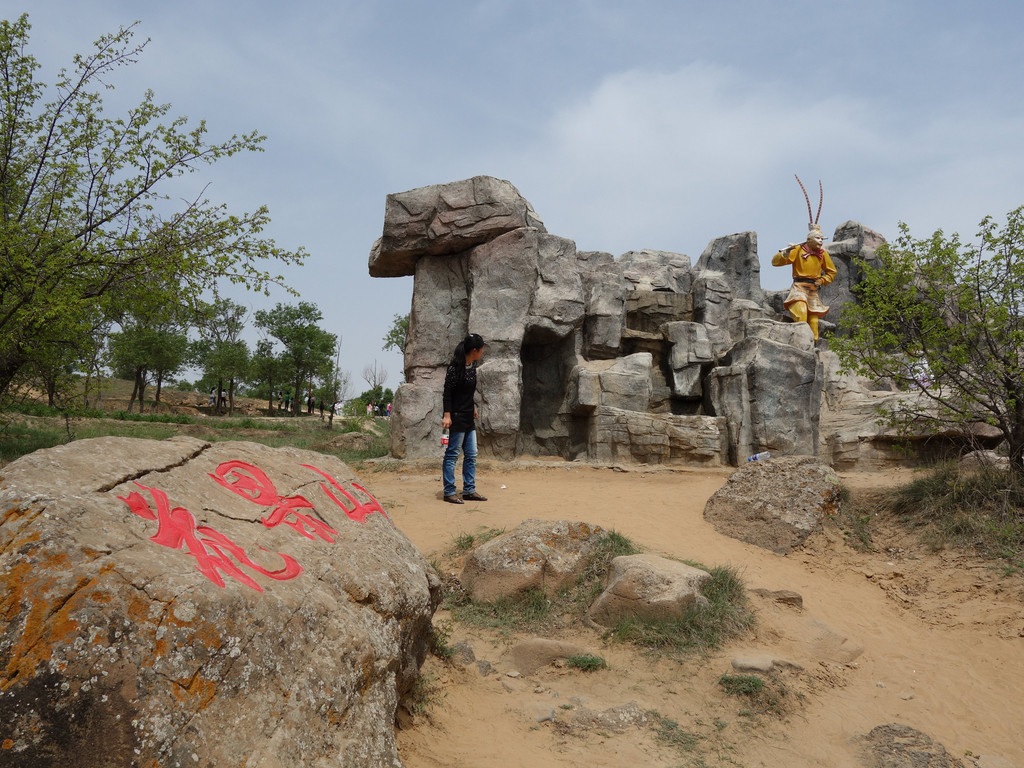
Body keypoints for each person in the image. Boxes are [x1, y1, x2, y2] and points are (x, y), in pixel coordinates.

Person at [442, 333, 488, 504]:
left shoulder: (472, 366)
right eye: (481, 349)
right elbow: (447, 393)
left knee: (471, 454)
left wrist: (473, 406)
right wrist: (447, 415)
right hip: (457, 417)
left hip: (468, 416)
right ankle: (449, 492)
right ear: (474, 350)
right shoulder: (455, 368)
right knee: (453, 454)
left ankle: (469, 490)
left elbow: (468, 392)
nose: (482, 352)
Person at [772, 224, 837, 341]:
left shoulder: (822, 254)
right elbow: (775, 262)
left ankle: (812, 348)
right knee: (801, 312)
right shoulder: (798, 249)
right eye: (818, 238)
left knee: (814, 322)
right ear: (808, 240)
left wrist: (822, 280)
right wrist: (785, 254)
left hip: (812, 288)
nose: (821, 241)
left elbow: (832, 272)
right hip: (799, 286)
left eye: (822, 239)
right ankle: (800, 341)